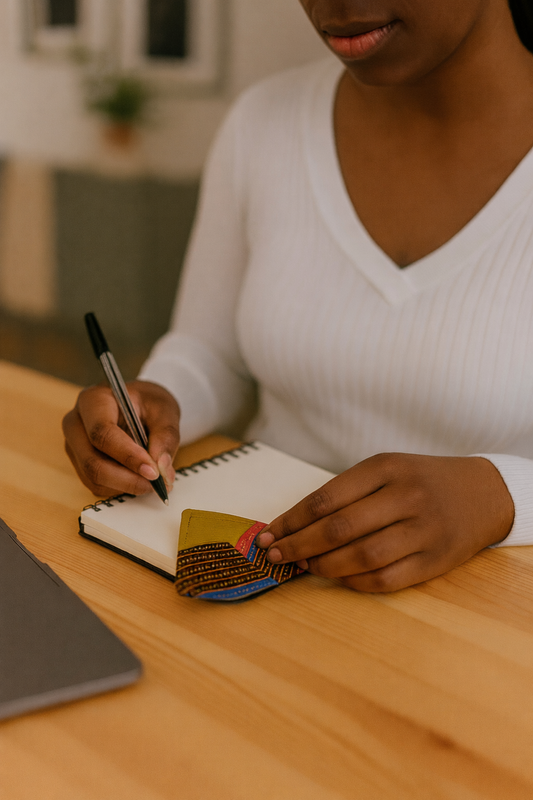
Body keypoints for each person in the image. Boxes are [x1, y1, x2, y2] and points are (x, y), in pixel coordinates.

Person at [63, 0, 533, 592]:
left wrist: (502, 495)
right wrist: (156, 404)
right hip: (259, 598)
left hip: (489, 639)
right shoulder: (263, 123)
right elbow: (212, 350)